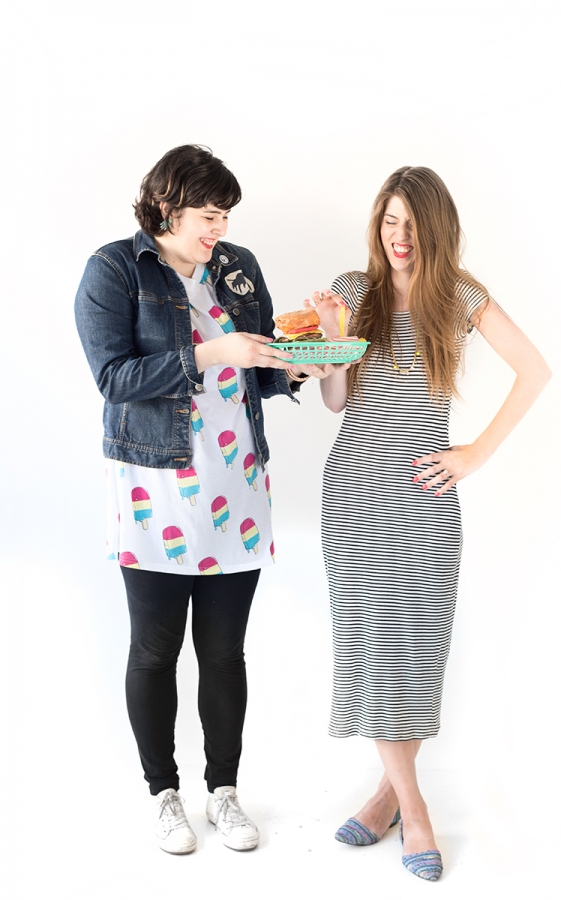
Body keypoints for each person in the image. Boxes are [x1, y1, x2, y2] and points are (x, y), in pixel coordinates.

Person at [74, 144, 333, 855]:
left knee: (224, 652)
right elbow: (115, 378)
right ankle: (164, 793)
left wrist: (300, 363)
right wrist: (216, 354)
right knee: (155, 650)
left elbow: (262, 363)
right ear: (166, 207)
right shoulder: (114, 269)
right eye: (207, 216)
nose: (218, 229)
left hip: (237, 485)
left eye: (224, 216)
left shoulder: (237, 266)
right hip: (154, 490)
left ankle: (224, 792)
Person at [311, 166, 551, 881]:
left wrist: (474, 454)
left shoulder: (461, 297)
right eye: (389, 221)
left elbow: (535, 370)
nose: (399, 236)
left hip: (425, 499)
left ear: (434, 229)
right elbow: (334, 400)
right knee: (375, 646)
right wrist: (329, 337)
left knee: (414, 651)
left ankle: (386, 796)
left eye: (412, 224)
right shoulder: (354, 292)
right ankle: (416, 812)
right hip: (354, 494)